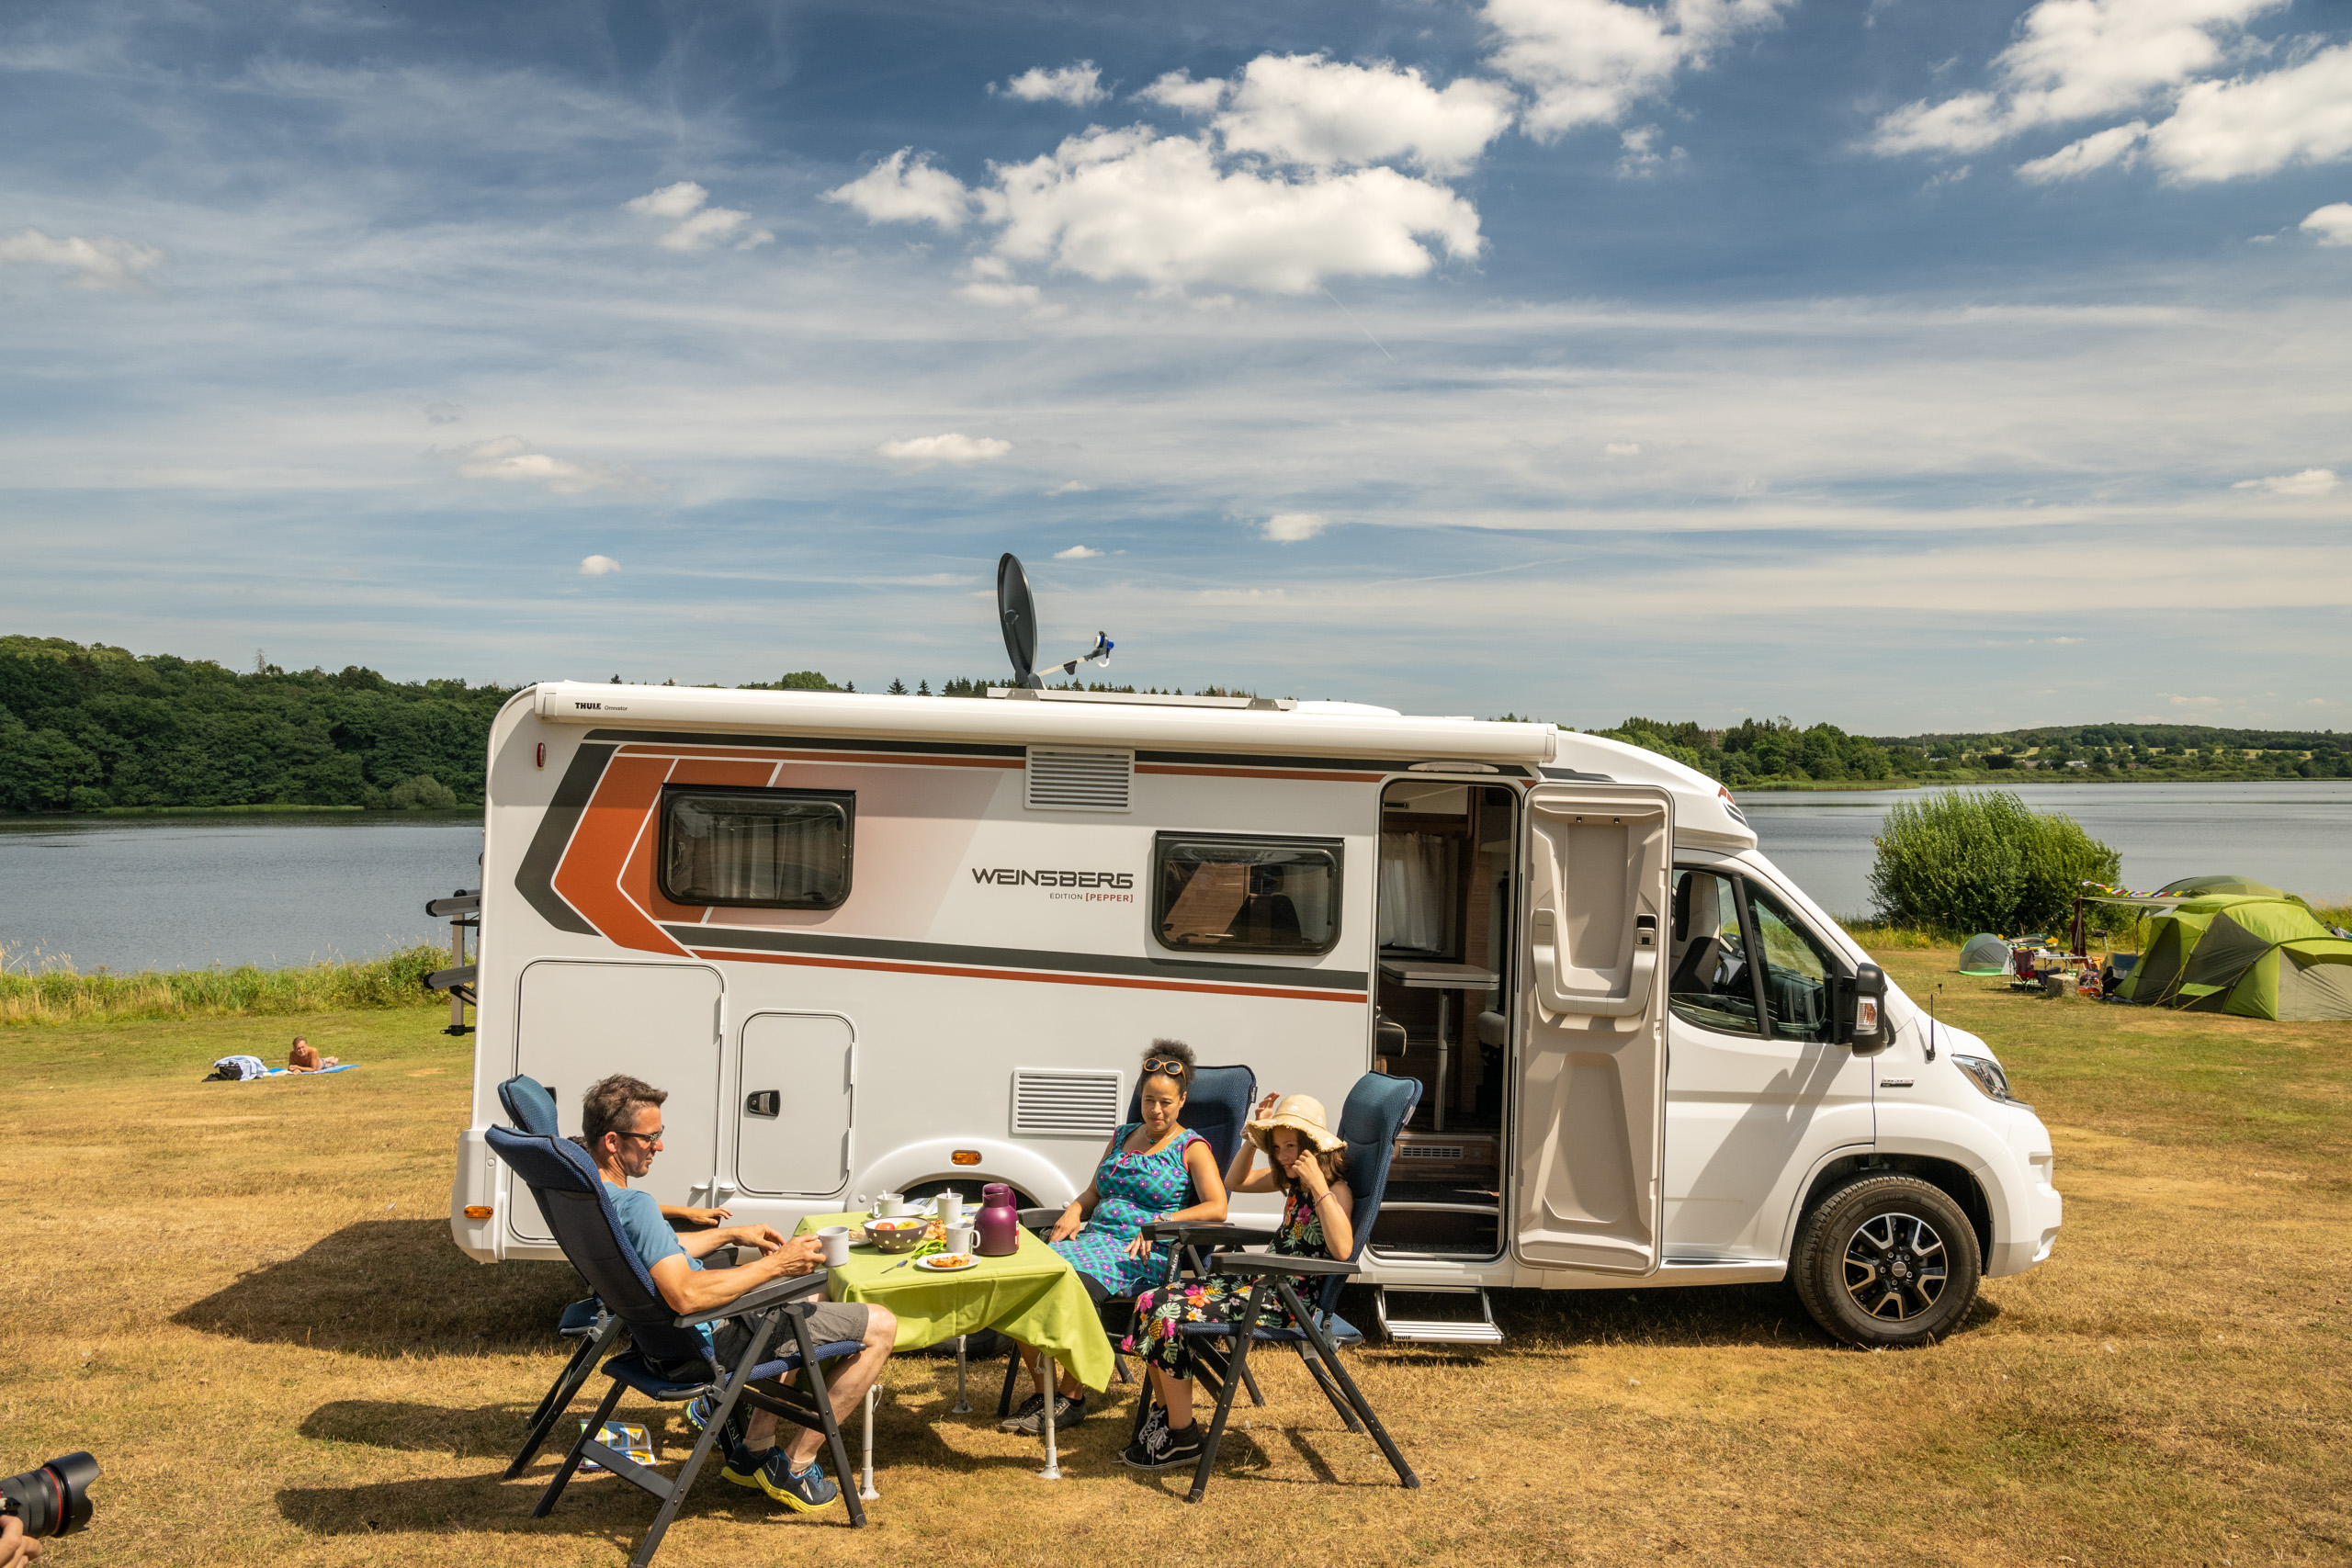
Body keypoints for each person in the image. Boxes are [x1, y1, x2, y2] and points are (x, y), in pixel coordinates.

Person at [580, 1074, 898, 1514]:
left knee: (811, 1297)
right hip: (706, 1343)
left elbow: (660, 1254)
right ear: (613, 1142)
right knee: (880, 1324)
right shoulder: (636, 1206)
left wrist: (732, 1236)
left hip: (660, 1345)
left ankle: (755, 1449)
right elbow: (686, 1295)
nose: (659, 1146)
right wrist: (776, 1265)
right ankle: (798, 1465)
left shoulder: (595, 1200)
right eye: (650, 1137)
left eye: (660, 1135)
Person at [1001, 1039, 1229, 1438]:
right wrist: (1074, 1208)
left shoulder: (1190, 1147)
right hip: (1093, 1239)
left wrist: (1160, 1219)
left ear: (1182, 1101)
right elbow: (1094, 1193)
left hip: (1141, 1250)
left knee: (1073, 1288)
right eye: (1148, 1100)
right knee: (1025, 1278)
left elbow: (1217, 1207)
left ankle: (1071, 1399)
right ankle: (1046, 1392)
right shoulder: (1123, 1134)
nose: (1155, 1111)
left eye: (1165, 1103)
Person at [1119, 1090, 1353, 1472]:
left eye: (1291, 1146)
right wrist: (1251, 1136)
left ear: (1314, 1147)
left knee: (1170, 1314)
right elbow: (1236, 1180)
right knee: (1150, 1300)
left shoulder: (1335, 1191)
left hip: (1285, 1302)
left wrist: (1319, 1187)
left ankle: (1182, 1439)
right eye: (1277, 1147)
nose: (1283, 1156)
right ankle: (1168, 1417)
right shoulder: (1291, 1184)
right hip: (1258, 1286)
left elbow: (1342, 1250)